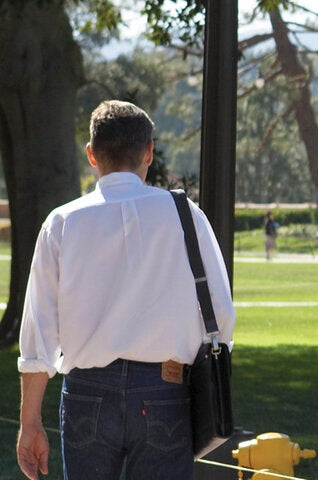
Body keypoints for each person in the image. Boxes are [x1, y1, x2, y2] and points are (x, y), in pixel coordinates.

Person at [15, 100, 237, 479]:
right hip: (166, 388)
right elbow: (221, 314)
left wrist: (30, 422)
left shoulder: (62, 222)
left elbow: (39, 334)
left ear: (91, 154)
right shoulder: (187, 215)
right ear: (149, 152)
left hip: (87, 391)